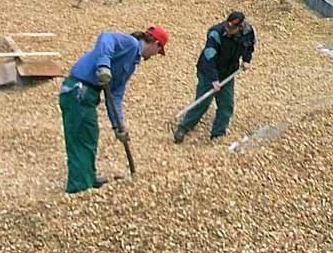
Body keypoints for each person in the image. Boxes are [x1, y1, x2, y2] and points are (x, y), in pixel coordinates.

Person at [59, 25, 168, 193]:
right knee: (81, 138)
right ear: (155, 43)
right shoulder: (131, 44)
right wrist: (104, 65)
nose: (155, 56)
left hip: (86, 96)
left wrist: (118, 125)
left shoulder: (131, 63)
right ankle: (79, 188)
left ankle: (87, 175)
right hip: (78, 92)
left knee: (89, 135)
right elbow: (106, 37)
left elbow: (115, 95)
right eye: (158, 51)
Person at [173, 10, 256, 143]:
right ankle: (184, 127)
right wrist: (214, 79)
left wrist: (246, 60)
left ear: (240, 27)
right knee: (202, 101)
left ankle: (218, 134)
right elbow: (208, 57)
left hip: (228, 72)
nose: (228, 30)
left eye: (232, 29)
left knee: (226, 104)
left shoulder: (247, 32)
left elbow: (249, 45)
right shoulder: (215, 33)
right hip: (208, 71)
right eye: (227, 27)